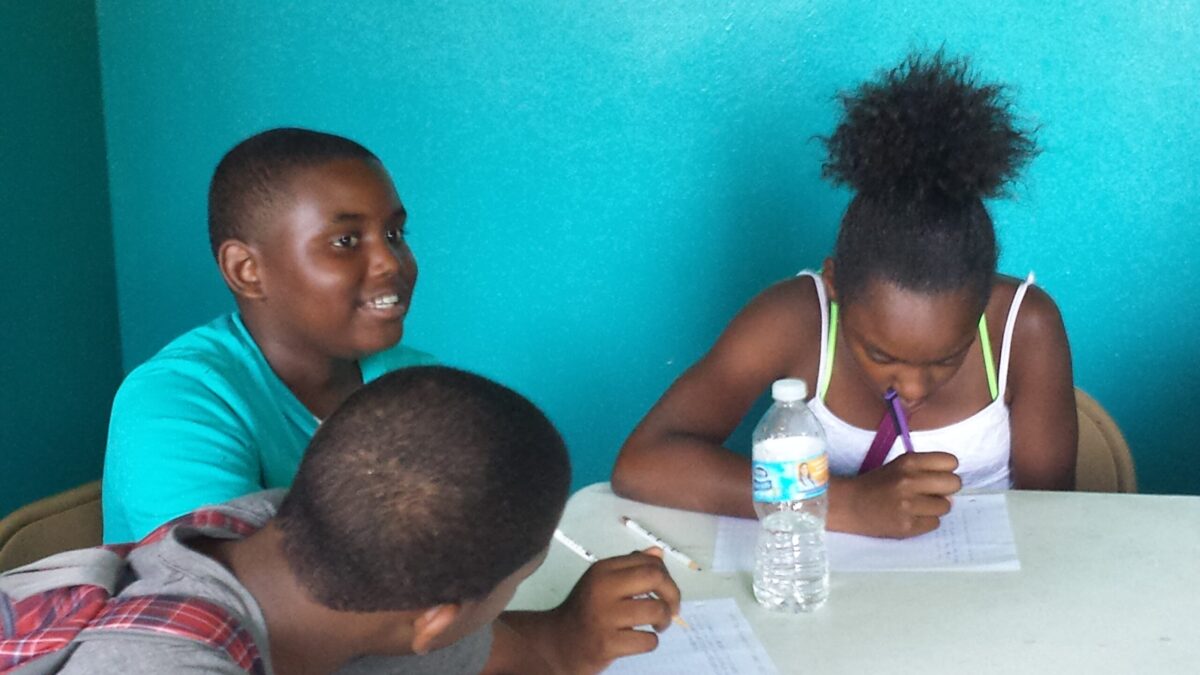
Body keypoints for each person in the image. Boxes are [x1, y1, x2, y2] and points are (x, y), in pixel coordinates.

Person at [612, 52, 1077, 539]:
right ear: (834, 284)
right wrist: (846, 504)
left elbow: (1052, 520)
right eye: (880, 353)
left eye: (947, 359)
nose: (914, 388)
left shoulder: (1025, 328)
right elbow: (645, 461)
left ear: (985, 300)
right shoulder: (792, 321)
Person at [11, 367, 682, 673]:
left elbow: (502, 654)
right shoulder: (150, 664)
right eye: (517, 581)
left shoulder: (302, 538)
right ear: (434, 617)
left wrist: (568, 632)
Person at [103, 127, 433, 543]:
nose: (390, 262)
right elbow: (219, 587)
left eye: (395, 235)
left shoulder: (419, 381)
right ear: (247, 270)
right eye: (346, 241)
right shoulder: (175, 398)